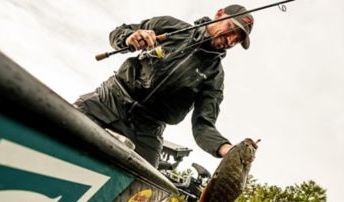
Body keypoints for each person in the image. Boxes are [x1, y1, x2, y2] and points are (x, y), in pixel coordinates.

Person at [74, 4, 254, 167]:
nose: (231, 40)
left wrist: (226, 149)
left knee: (143, 187)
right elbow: (119, 32)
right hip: (106, 103)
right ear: (219, 14)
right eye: (232, 29)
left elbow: (203, 125)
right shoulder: (170, 26)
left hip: (147, 133)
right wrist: (129, 37)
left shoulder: (215, 77)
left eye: (237, 40)